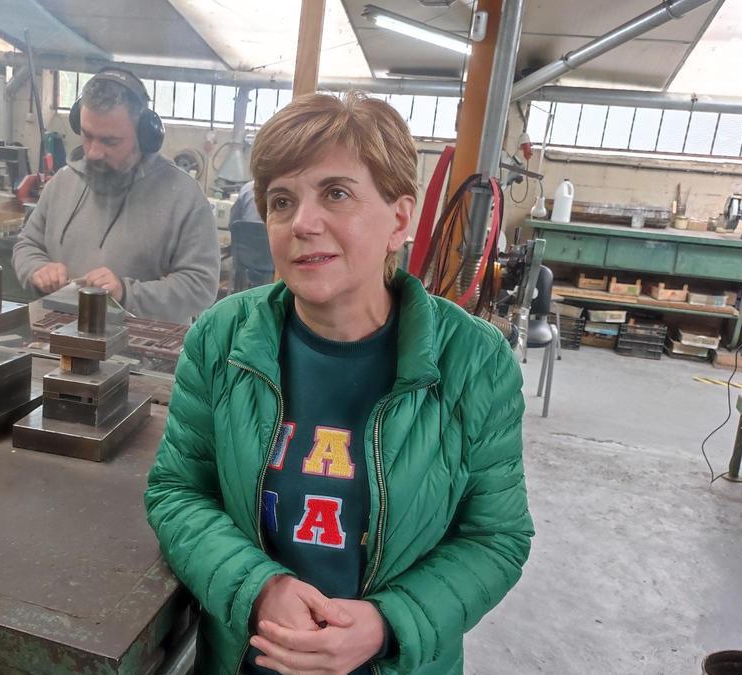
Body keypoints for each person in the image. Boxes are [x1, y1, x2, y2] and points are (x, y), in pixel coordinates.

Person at [145, 92, 532, 674]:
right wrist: (259, 589)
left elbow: (496, 538)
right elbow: (177, 491)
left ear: (399, 219)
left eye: (336, 193)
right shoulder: (221, 339)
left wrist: (386, 624)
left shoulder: (474, 362)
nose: (302, 223)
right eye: (282, 201)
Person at [12, 67, 219, 323]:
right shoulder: (63, 183)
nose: (94, 152)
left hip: (142, 352)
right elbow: (27, 245)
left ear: (145, 136)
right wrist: (37, 270)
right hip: (54, 342)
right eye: (87, 136)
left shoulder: (183, 196)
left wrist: (126, 292)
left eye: (110, 141)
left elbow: (201, 286)